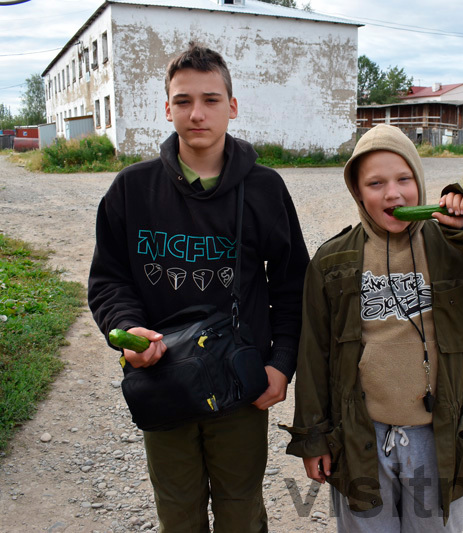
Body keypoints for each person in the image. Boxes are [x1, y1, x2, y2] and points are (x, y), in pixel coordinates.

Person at [88, 43, 309, 532]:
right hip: (161, 380)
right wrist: (126, 331)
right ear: (167, 108)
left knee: (240, 510)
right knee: (179, 513)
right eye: (183, 101)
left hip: (240, 382)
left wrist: (281, 364)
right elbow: (109, 280)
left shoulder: (266, 189)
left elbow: (293, 286)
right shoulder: (131, 189)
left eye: (211, 100)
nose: (197, 113)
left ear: (232, 107)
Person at [283, 124, 463, 532]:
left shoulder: (454, 250)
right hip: (360, 438)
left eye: (404, 179)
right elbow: (313, 354)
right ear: (358, 193)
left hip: (436, 438)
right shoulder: (332, 261)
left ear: (419, 183)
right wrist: (312, 438)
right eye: (376, 183)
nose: (393, 194)